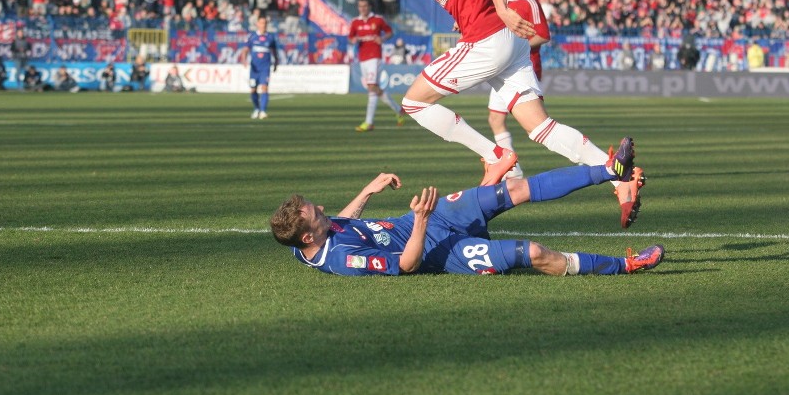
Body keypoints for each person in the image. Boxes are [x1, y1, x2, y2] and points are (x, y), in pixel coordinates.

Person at [352, 0, 644, 228]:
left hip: (488, 39)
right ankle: (621, 180)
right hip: (506, 41)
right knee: (540, 128)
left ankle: (495, 156)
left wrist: (502, 8)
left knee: (414, 102)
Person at [271, 136, 664, 276]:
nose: (323, 208)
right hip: (436, 249)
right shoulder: (342, 259)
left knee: (515, 188)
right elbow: (405, 266)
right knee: (532, 253)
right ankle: (626, 265)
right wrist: (422, 221)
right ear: (308, 234)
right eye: (316, 212)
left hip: (432, 216)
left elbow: (344, 219)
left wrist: (369, 190)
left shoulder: (316, 236)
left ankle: (610, 170)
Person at [486, 0, 551, 180]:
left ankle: (589, 159)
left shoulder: (527, 2)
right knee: (495, 119)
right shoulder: (501, 0)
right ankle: (513, 171)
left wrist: (514, 47)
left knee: (537, 128)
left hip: (523, 68)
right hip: (503, 69)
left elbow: (542, 35)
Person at [350, 0, 405, 131]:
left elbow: (389, 32)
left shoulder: (378, 20)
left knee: (371, 87)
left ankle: (369, 122)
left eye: (365, 6)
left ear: (369, 7)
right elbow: (351, 37)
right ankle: (399, 110)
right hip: (362, 58)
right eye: (360, 6)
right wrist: (354, 40)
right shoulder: (355, 22)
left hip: (375, 58)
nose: (362, 9)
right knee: (374, 89)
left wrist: (383, 38)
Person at [241, 15, 279, 119]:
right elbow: (245, 49)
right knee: (253, 90)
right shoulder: (252, 36)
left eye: (265, 23)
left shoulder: (270, 37)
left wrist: (276, 63)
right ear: (257, 24)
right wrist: (244, 60)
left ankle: (263, 111)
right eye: (262, 23)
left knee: (264, 88)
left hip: (265, 68)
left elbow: (274, 52)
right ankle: (257, 108)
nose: (264, 25)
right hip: (254, 68)